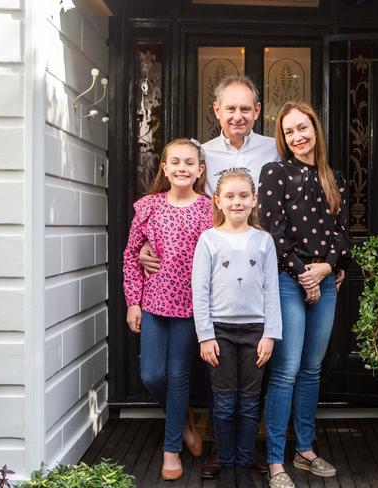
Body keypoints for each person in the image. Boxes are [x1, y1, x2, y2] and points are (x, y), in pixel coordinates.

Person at [138, 75, 279, 479]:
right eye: (229, 108)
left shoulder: (272, 149)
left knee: (250, 384)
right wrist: (150, 246)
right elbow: (182, 208)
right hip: (210, 287)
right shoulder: (202, 154)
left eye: (245, 108)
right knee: (216, 383)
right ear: (216, 110)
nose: (238, 115)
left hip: (263, 270)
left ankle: (248, 452)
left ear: (256, 111)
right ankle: (215, 448)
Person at [257, 101, 350, 488]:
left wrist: (326, 268)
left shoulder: (335, 178)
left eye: (303, 128)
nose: (297, 137)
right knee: (286, 370)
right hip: (286, 279)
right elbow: (272, 232)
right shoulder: (275, 173)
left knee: (312, 369)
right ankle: (276, 460)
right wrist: (304, 274)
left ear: (315, 129)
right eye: (289, 131)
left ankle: (306, 450)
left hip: (324, 279)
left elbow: (342, 233)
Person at [123, 138, 212, 481]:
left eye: (189, 163)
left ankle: (172, 448)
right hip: (155, 303)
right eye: (175, 162)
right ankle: (183, 415)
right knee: (152, 375)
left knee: (178, 376)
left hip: (191, 306)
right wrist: (133, 301)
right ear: (164, 167)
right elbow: (132, 256)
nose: (182, 168)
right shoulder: (149, 206)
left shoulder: (208, 209)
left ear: (200, 170)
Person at [192, 168, 282, 488]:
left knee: (249, 399)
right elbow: (199, 291)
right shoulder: (209, 240)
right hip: (220, 332)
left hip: (255, 331)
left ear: (254, 200)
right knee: (225, 400)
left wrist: (270, 334)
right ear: (217, 200)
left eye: (244, 195)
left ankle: (245, 459)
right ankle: (225, 459)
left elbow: (272, 290)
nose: (237, 202)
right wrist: (205, 335)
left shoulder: (264, 241)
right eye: (229, 196)